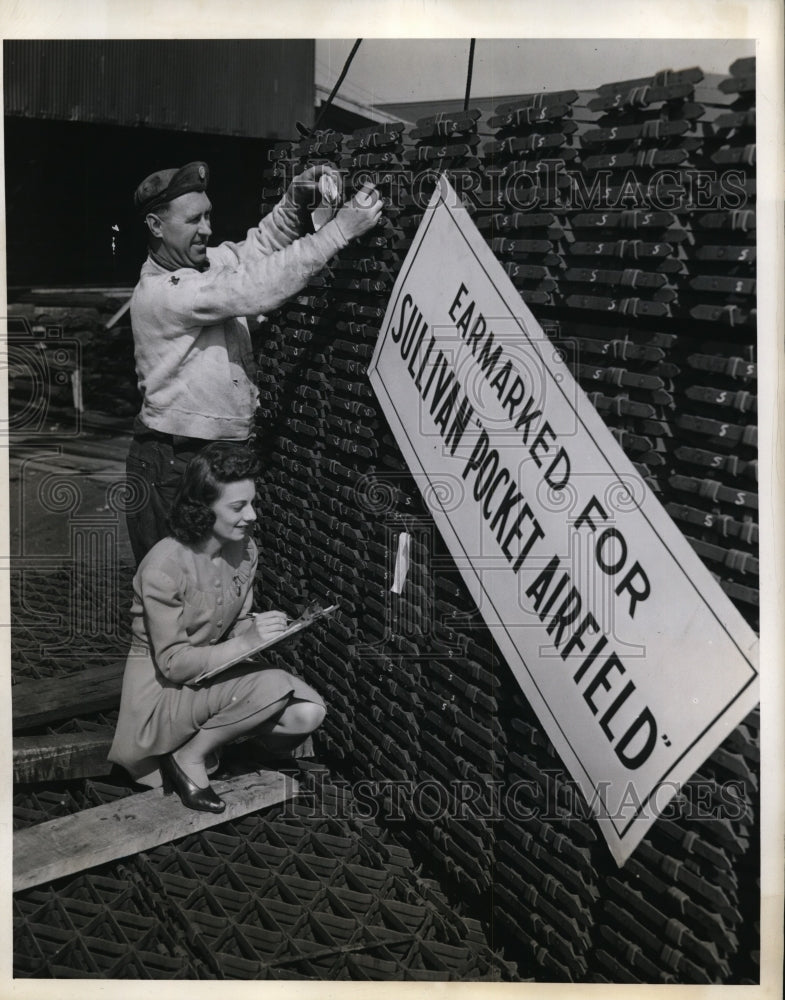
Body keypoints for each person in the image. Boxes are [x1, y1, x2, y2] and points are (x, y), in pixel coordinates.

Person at [125, 159, 383, 564]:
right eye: (194, 220)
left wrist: (293, 202)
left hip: (213, 455)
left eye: (208, 215)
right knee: (173, 590)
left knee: (217, 583)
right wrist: (341, 230)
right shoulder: (165, 291)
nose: (207, 229)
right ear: (156, 226)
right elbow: (255, 287)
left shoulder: (202, 266)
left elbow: (257, 251)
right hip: (175, 462)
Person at [109, 442, 326, 813]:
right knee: (273, 686)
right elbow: (173, 663)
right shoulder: (163, 566)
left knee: (308, 713)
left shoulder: (244, 550)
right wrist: (249, 642)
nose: (252, 515)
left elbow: (235, 621)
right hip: (162, 692)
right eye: (238, 506)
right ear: (202, 507)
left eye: (252, 502)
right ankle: (188, 759)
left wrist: (263, 627)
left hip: (209, 676)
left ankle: (225, 752)